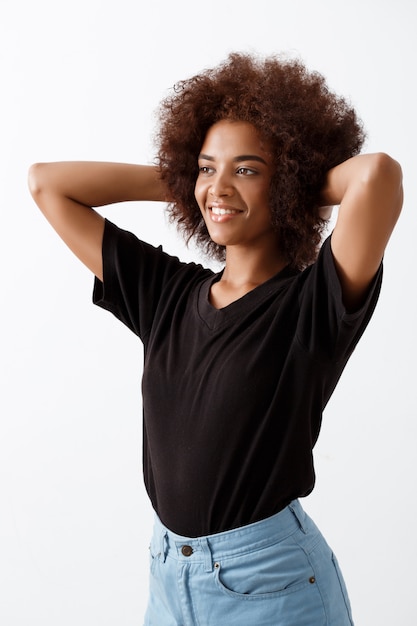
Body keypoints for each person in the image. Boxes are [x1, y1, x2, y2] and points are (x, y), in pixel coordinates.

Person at [28, 52, 403, 625]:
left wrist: (291, 183)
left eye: (247, 169)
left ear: (287, 183)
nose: (219, 187)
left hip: (268, 582)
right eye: (207, 167)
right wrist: (190, 181)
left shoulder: (312, 306)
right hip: (167, 574)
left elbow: (376, 175)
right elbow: (48, 184)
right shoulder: (167, 294)